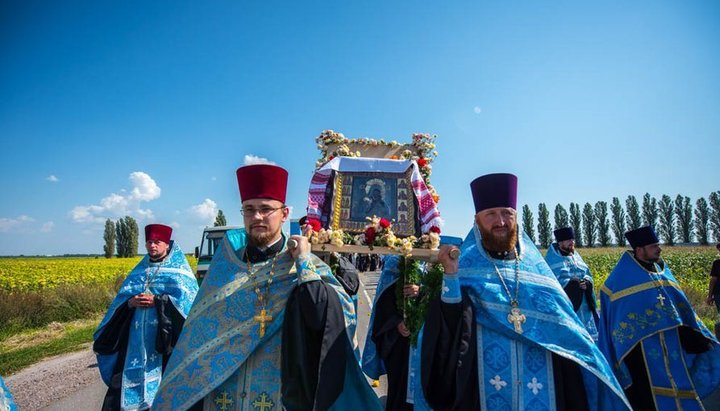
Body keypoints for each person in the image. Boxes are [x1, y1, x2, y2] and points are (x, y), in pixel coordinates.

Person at [152, 164, 381, 411]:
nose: (257, 217)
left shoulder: (304, 265)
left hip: (279, 391)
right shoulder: (225, 266)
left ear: (284, 214)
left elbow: (324, 317)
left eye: (265, 209)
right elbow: (197, 336)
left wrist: (304, 261)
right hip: (223, 393)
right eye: (249, 210)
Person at [421, 173, 631, 411]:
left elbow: (569, 335)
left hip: (544, 387)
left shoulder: (539, 273)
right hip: (483, 388)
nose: (500, 221)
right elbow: (450, 326)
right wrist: (450, 275)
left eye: (507, 213)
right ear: (476, 220)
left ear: (516, 217)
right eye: (490, 214)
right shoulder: (465, 267)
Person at [598, 226, 720, 410]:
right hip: (641, 355)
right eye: (654, 245)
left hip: (673, 349)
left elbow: (681, 308)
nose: (659, 249)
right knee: (647, 398)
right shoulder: (620, 281)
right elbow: (617, 322)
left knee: (681, 388)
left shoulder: (662, 272)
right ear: (639, 249)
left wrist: (696, 336)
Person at [93, 224, 199, 411]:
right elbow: (120, 303)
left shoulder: (179, 271)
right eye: (149, 242)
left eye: (157, 242)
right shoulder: (138, 271)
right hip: (135, 341)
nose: (152, 246)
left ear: (166, 244)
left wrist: (159, 301)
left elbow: (188, 305)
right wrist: (130, 303)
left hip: (165, 340)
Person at [362, 255, 421, 411]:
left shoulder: (430, 264)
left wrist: (422, 291)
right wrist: (396, 323)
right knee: (398, 386)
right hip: (398, 342)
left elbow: (440, 296)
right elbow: (383, 306)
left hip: (422, 340)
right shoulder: (392, 265)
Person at [544, 226, 600, 341]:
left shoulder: (576, 257)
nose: (572, 242)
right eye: (568, 240)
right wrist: (574, 284)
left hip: (585, 307)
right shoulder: (552, 260)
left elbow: (587, 274)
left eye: (573, 240)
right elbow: (552, 284)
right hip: (568, 310)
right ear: (560, 242)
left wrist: (587, 282)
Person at [706, 243, 720, 313]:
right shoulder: (716, 263)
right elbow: (713, 280)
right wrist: (710, 296)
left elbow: (713, 279)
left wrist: (710, 296)